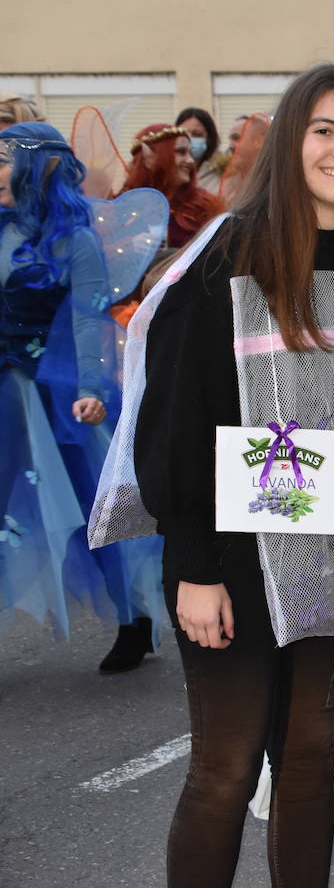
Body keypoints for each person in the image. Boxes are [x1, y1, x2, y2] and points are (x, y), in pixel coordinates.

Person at [125, 64, 334, 887]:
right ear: (291, 141)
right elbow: (180, 415)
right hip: (235, 556)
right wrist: (194, 567)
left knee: (309, 761)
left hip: (333, 555)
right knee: (225, 768)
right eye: (324, 129)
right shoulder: (229, 253)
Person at [0, 123, 163, 670]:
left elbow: (89, 321)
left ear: (38, 169)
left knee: (98, 513)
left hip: (57, 399)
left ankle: (133, 617)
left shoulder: (76, 240)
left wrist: (93, 389)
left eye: (2, 159)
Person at [122, 123, 224, 249]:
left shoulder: (205, 206)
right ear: (149, 158)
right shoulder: (123, 206)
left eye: (190, 153)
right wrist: (129, 246)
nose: (190, 160)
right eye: (181, 152)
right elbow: (105, 254)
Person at [175, 107, 223, 195]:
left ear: (209, 138)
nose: (189, 139)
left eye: (196, 134)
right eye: (183, 133)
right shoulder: (169, 172)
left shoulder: (222, 172)